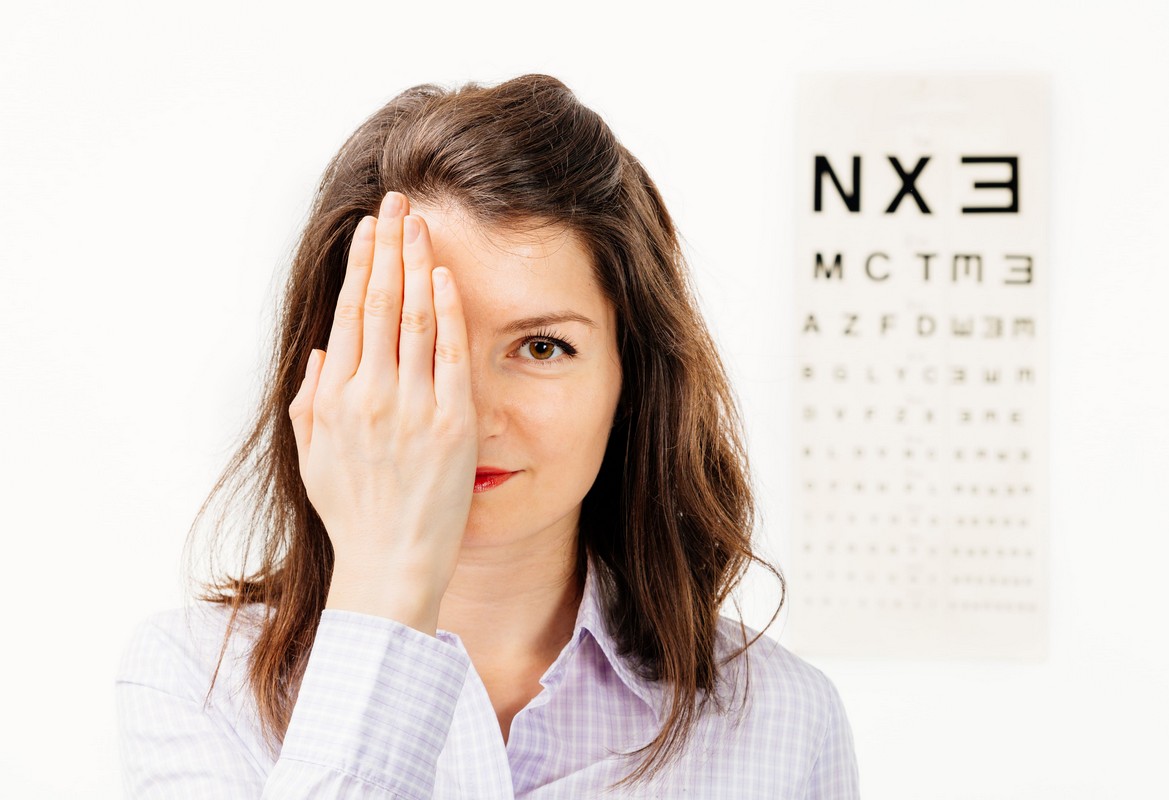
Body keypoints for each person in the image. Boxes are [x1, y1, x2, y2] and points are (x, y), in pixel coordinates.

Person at [113, 73, 859, 798]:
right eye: (415, 343)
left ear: (631, 377)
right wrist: (385, 585)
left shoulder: (783, 721)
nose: (463, 417)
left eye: (541, 348)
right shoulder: (194, 680)